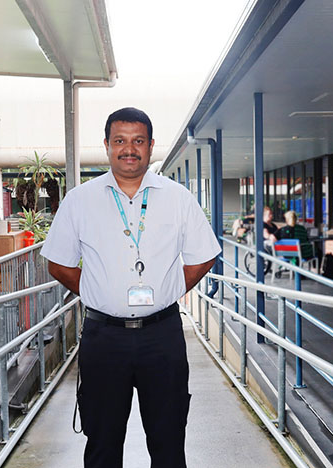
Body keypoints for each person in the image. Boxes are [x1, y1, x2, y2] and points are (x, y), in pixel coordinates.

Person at [41, 107, 220, 468]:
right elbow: (58, 263)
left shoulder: (177, 197)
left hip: (163, 336)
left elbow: (204, 256)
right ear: (106, 145)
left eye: (138, 141)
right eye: (120, 141)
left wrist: (170, 288)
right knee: (103, 443)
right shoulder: (80, 200)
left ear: (151, 146)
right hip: (104, 338)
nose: (129, 149)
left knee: (168, 443)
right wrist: (96, 291)